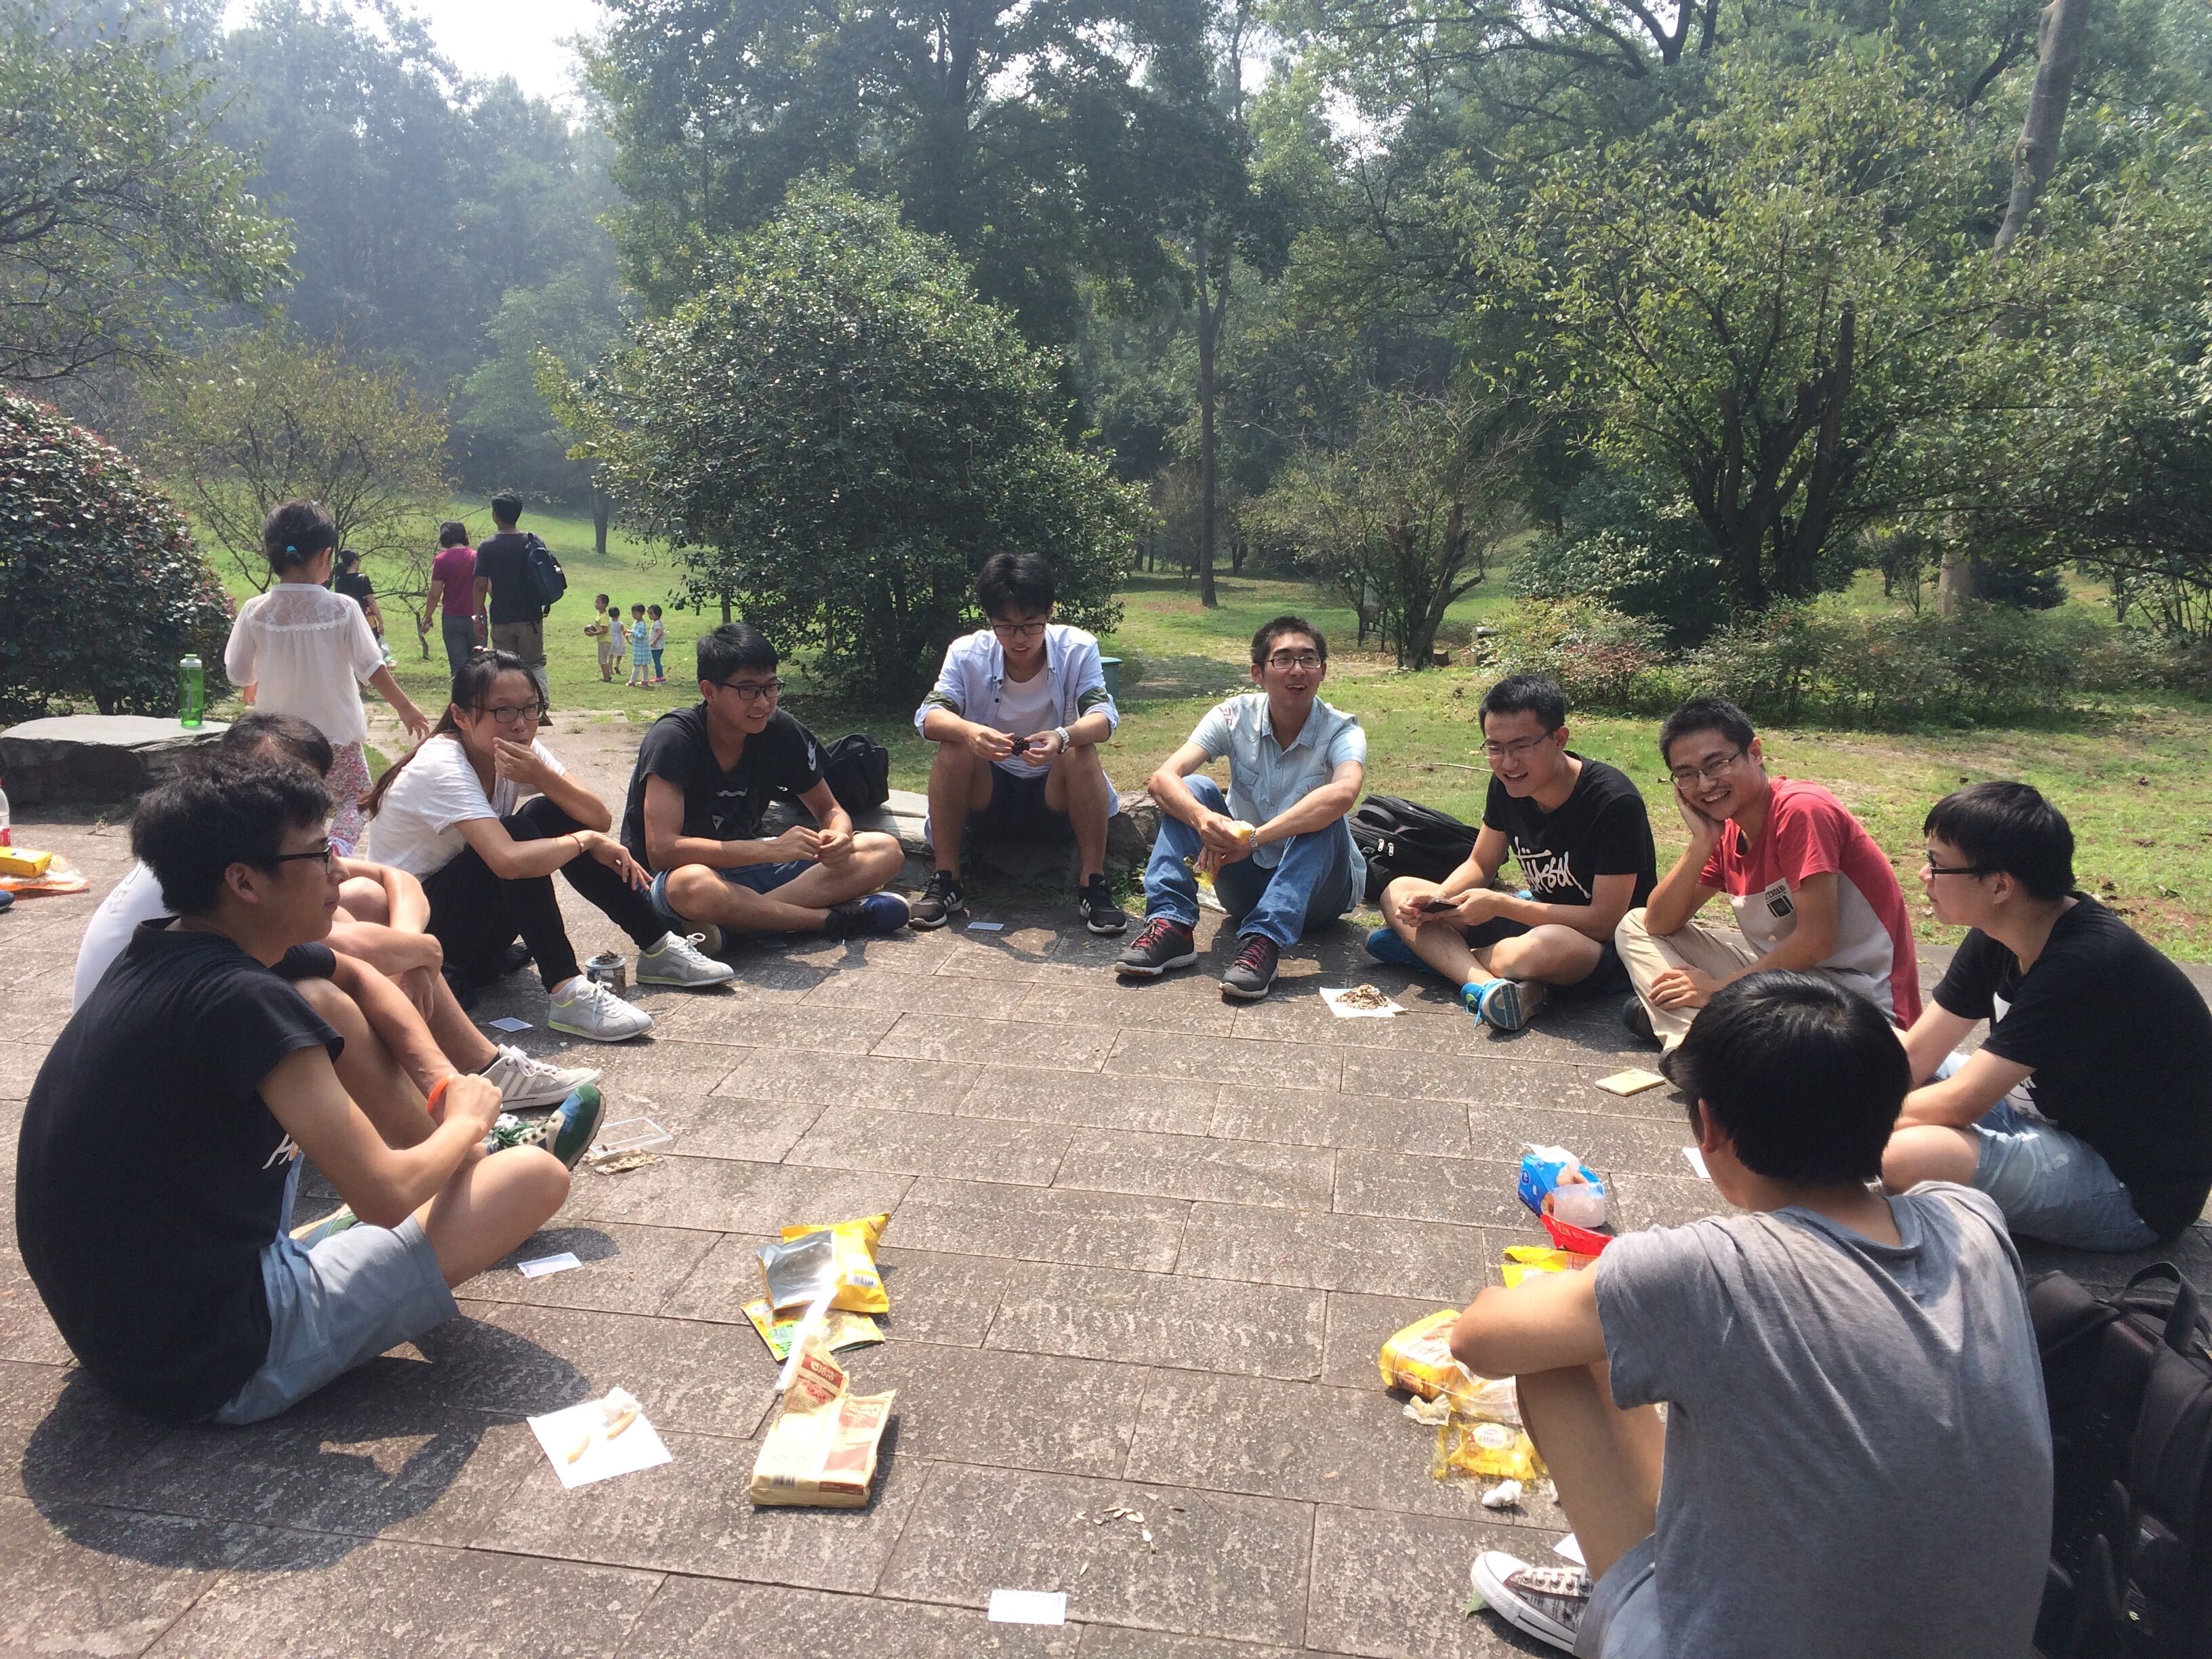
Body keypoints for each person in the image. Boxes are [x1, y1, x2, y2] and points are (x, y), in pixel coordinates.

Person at [1454, 971, 2049, 1659]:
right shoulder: (1972, 1219)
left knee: (1554, 1357)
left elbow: (1480, 1338)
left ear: (1710, 1126)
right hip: (1989, 1637)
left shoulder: (1705, 1269)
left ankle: (1618, 1604)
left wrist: (1597, 1287)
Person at [16, 764, 594, 1426]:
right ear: (245, 882)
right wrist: (466, 1119)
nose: (340, 871)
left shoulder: (173, 947)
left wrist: (440, 1083)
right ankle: (416, 1193)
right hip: (215, 1361)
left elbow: (353, 973)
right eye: (320, 855)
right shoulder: (244, 1000)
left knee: (322, 1002)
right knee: (532, 1178)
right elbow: (384, 1199)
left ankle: (375, 1212)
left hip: (125, 1327)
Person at [72, 713, 599, 1112]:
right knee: (331, 991)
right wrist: (422, 950)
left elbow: (393, 881)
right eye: (284, 784)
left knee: (363, 905)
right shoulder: (234, 851)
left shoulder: (242, 836)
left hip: (180, 1005)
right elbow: (349, 949)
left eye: (309, 786)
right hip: (165, 1048)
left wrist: (414, 956)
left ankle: (453, 1089)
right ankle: (449, 1098)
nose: (302, 800)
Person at [1881, 782, 2212, 1250]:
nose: (1923, 874)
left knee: (1903, 1153)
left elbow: (1960, 1104)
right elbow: (1917, 1054)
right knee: (1866, 1046)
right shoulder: (2000, 931)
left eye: (1937, 863)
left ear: (2000, 885)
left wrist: (1841, 1128)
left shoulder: (2087, 963)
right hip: (2037, 1117)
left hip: (2128, 1188)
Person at [365, 653, 733, 1041]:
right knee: (518, 831)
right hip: (419, 932)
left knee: (550, 811)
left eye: (531, 708)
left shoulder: (516, 745)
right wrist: (585, 842)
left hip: (476, 926)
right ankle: (566, 989)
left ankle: (658, 946)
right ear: (460, 716)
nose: (521, 724)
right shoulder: (442, 765)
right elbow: (508, 861)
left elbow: (597, 816)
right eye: (502, 711)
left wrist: (542, 776)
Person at [1616, 696, 1919, 1051]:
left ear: (1755, 752)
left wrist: (1719, 989)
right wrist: (1702, 842)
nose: (1704, 784)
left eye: (1716, 764)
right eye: (1687, 775)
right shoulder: (1727, 833)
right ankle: (1698, 1044)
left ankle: (1704, 1047)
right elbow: (1658, 924)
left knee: (1673, 1002)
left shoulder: (1802, 810)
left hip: (1858, 1011)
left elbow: (1816, 942)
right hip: (1788, 989)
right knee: (1634, 924)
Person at [1370, 674, 1656, 1031]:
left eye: (1521, 747)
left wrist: (1502, 905)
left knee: (1544, 948)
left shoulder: (1613, 802)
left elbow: (1605, 921)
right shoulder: (1508, 785)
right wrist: (1436, 902)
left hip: (1604, 946)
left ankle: (1433, 957)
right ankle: (1488, 986)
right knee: (1398, 890)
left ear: (1559, 739)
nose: (1507, 764)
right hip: (1535, 913)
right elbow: (1481, 863)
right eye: (1495, 748)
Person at [1117, 617, 1364, 1000]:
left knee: (1326, 808)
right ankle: (1172, 925)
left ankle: (1265, 940)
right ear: (1258, 673)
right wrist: (1203, 820)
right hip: (1245, 884)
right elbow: (1163, 779)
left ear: (1323, 671)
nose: (1297, 670)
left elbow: (1345, 792)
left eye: (1309, 659)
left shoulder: (1342, 730)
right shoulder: (1233, 716)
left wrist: (1255, 839)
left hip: (1320, 895)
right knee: (1193, 789)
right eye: (1283, 659)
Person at [621, 623, 909, 948]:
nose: (763, 702)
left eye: (771, 687)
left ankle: (740, 925)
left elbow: (829, 809)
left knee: (884, 849)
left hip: (745, 871)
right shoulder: (674, 739)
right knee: (693, 885)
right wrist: (770, 850)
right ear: (709, 691)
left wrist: (839, 837)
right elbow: (662, 851)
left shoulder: (780, 730)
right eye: (747, 690)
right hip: (673, 880)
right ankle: (830, 921)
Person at [911, 552, 1126, 935]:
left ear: (1050, 613)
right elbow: (929, 715)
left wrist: (1062, 736)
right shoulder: (967, 653)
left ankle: (1093, 883)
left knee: (1080, 749)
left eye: (1031, 625)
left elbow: (1102, 716)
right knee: (954, 744)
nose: (1020, 639)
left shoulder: (1078, 648)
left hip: (1054, 793)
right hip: (988, 793)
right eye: (1006, 627)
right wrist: (971, 732)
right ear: (989, 619)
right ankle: (947, 879)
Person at [224, 499, 431, 855]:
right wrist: (406, 708)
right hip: (336, 736)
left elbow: (238, 672)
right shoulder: (342, 608)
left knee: (287, 809)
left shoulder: (255, 611)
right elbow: (372, 667)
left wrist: (254, 679)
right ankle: (335, 852)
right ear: (325, 556)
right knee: (358, 798)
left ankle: (290, 860)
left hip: (277, 741)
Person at [471, 491, 550, 713]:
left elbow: (480, 586)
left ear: (495, 516)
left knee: (506, 667)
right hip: (531, 616)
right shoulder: (533, 541)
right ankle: (540, 707)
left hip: (502, 617)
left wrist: (478, 617)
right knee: (534, 663)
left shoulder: (487, 546)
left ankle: (512, 709)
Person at [421, 521, 478, 678]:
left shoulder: (441, 560)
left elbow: (434, 594)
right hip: (477, 616)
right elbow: (488, 587)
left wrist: (427, 617)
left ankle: (460, 693)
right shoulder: (476, 557)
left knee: (458, 668)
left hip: (452, 617)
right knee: (479, 666)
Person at [332, 548, 388, 662]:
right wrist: (380, 621)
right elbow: (371, 602)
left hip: (345, 619)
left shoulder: (339, 580)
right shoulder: (362, 579)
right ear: (354, 561)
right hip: (363, 618)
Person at [587, 594, 619, 683]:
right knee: (603, 659)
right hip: (602, 640)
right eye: (596, 602)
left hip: (605, 641)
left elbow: (605, 630)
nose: (596, 604)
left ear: (605, 605)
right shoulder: (600, 614)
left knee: (602, 660)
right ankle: (608, 677)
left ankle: (607, 678)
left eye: (598, 603)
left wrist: (594, 633)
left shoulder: (604, 616)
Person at [626, 602, 651, 689]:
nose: (634, 615)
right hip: (637, 648)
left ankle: (633, 681)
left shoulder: (642, 624)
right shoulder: (636, 623)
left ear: (642, 613)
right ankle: (644, 681)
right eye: (633, 613)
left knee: (640, 665)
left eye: (636, 614)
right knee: (641, 665)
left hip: (642, 648)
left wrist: (632, 633)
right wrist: (630, 635)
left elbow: (642, 636)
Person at [648, 605, 667, 684]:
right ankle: (659, 676)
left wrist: (655, 642)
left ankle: (660, 676)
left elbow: (660, 633)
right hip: (660, 646)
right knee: (657, 661)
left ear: (657, 614)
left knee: (657, 661)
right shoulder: (659, 622)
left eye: (651, 614)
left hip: (656, 647)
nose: (650, 616)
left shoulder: (656, 624)